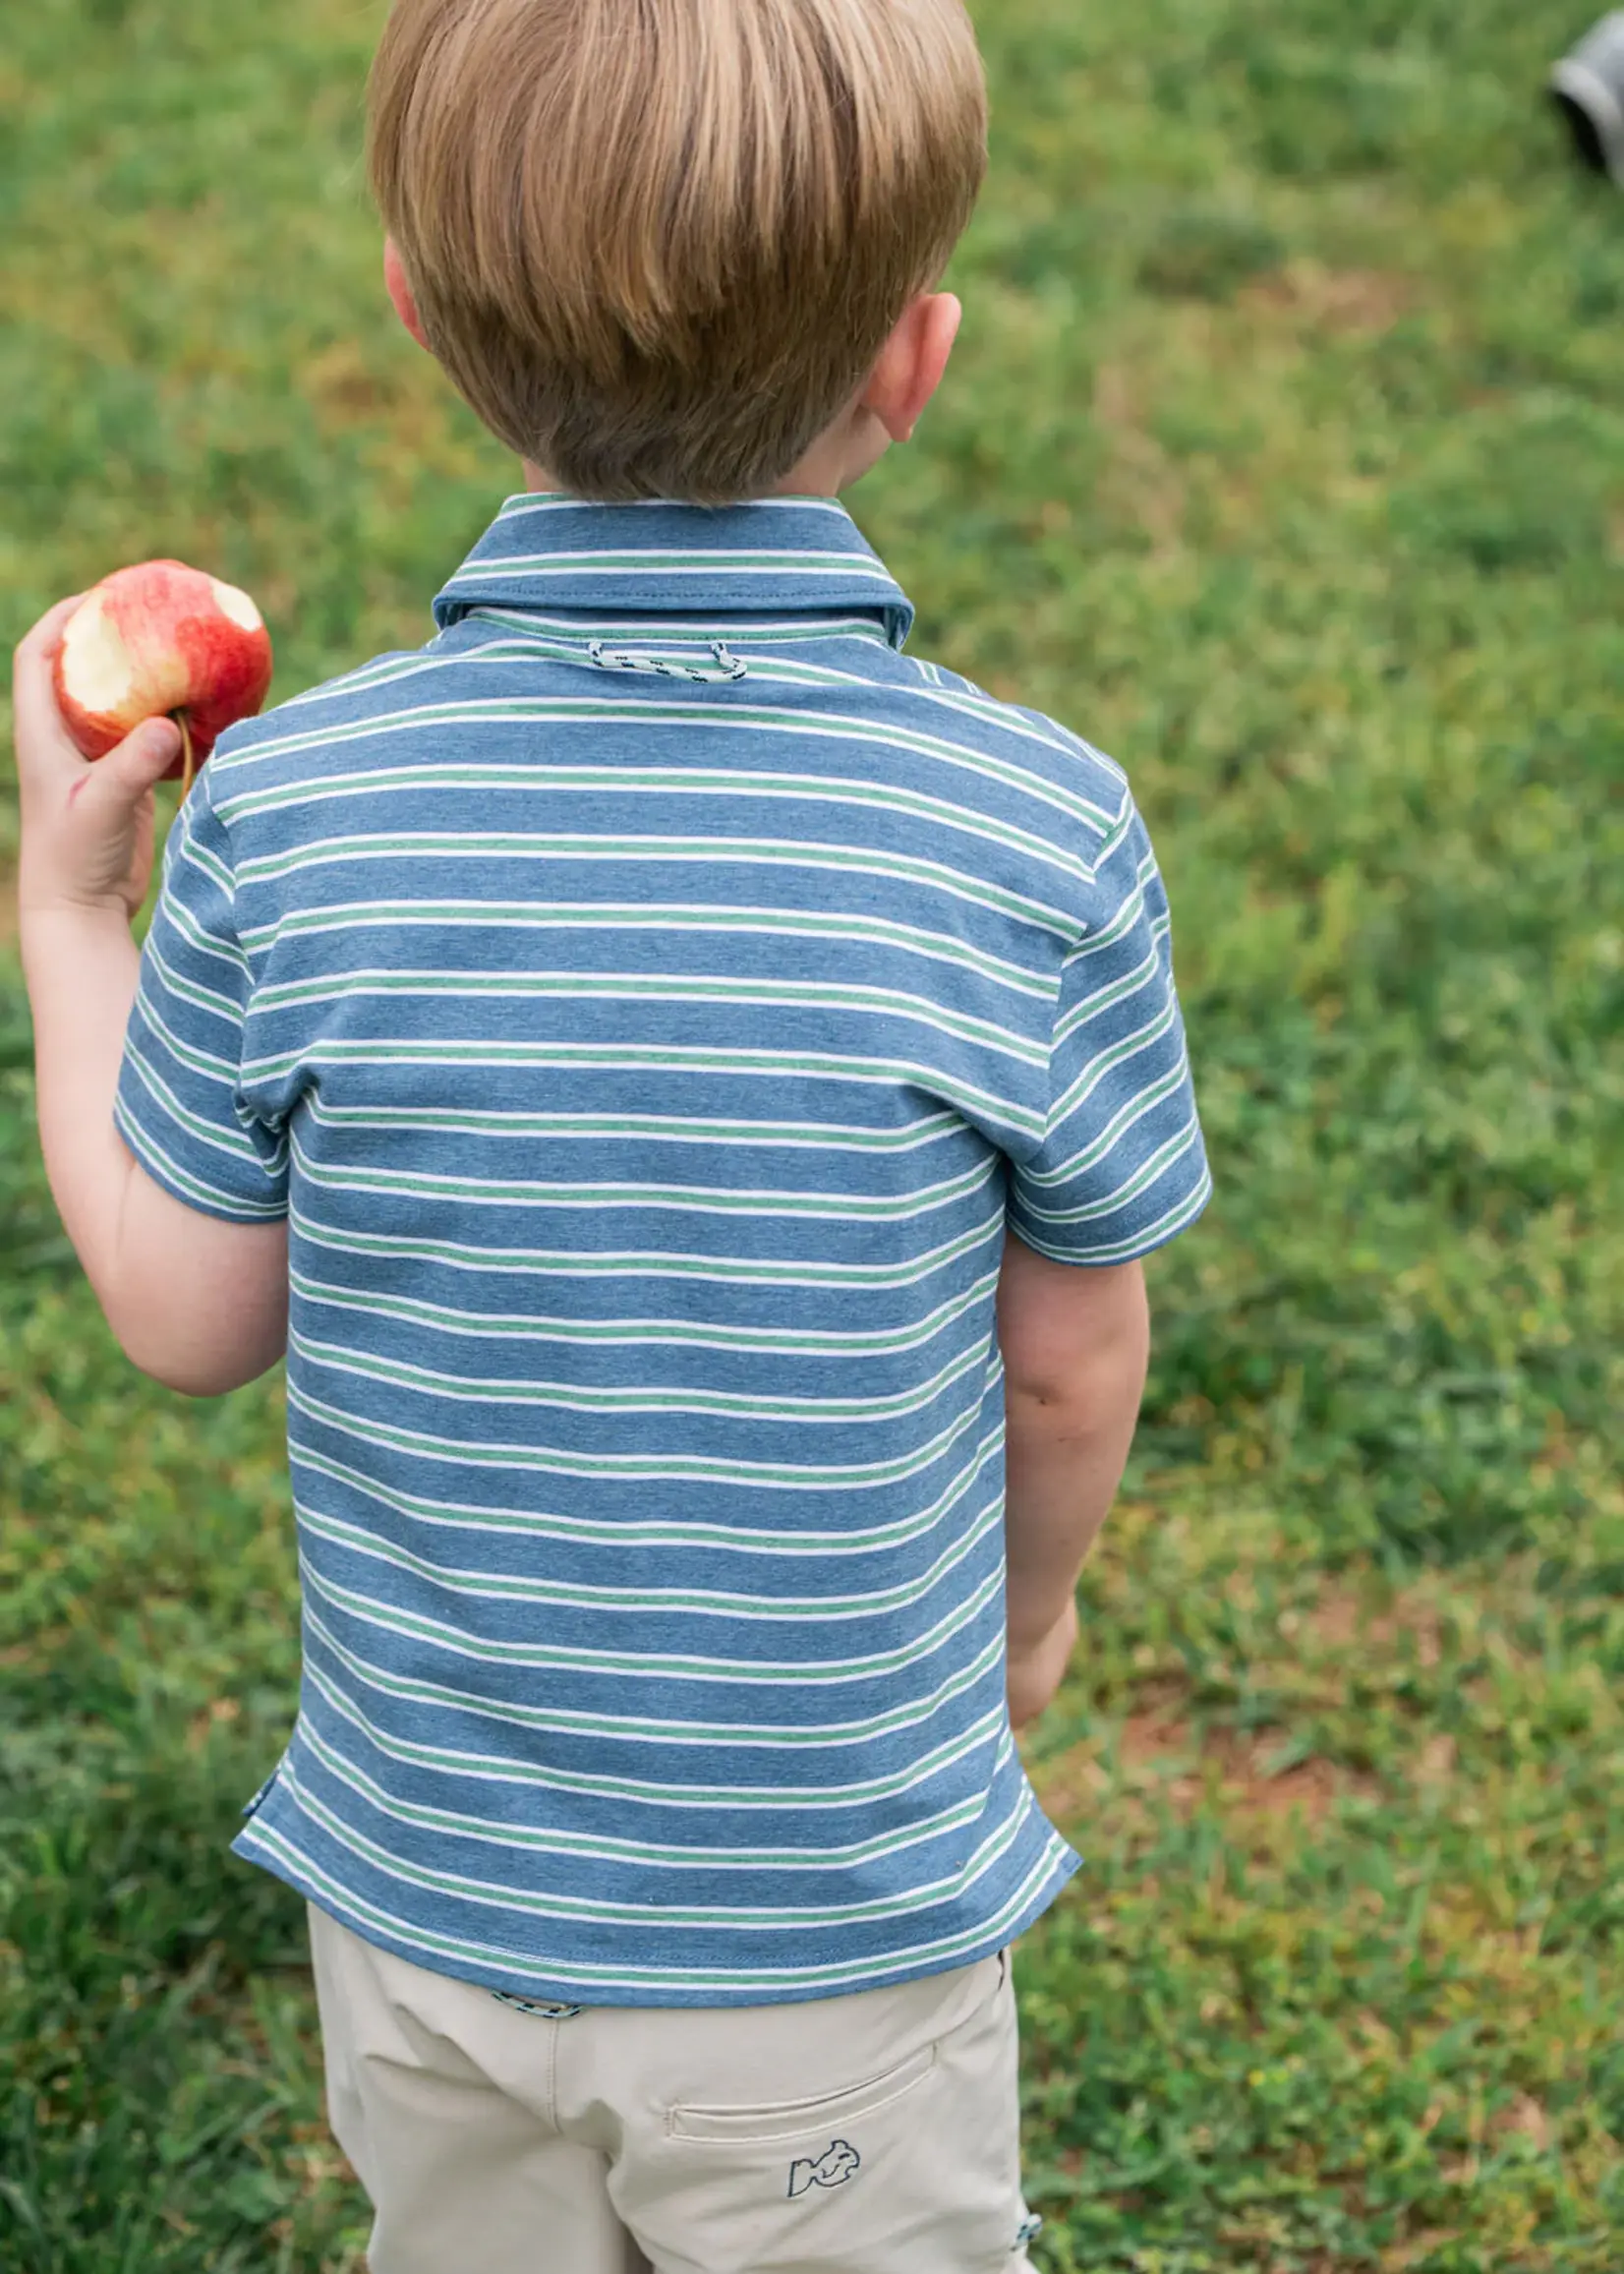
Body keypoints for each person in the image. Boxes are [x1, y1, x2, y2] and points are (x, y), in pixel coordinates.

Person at [12, 1, 1210, 2266]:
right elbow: (1065, 1358)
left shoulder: (291, 815)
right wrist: (1028, 1619)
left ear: (417, 315)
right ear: (915, 360)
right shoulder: (1034, 834)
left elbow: (184, 1315)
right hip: (835, 1926)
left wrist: (72, 917)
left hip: (428, 1911)